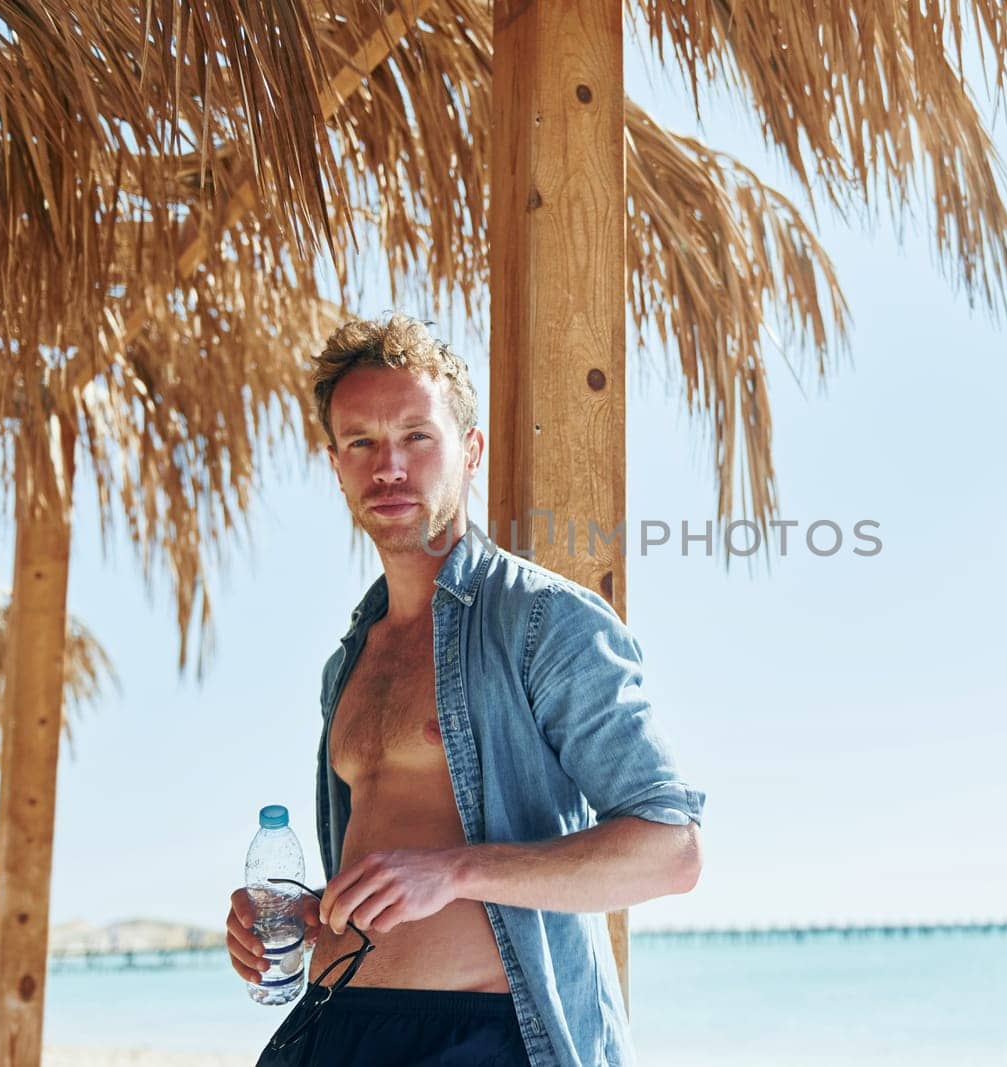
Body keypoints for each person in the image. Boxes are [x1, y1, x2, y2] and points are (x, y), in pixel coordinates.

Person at [226, 315, 707, 1066]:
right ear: (336, 463)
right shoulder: (350, 659)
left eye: (418, 437)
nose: (389, 467)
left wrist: (456, 869)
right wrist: (302, 915)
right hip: (331, 1027)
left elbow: (671, 852)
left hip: (479, 1039)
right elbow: (390, 869)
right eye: (361, 443)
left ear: (470, 451)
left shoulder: (546, 622)